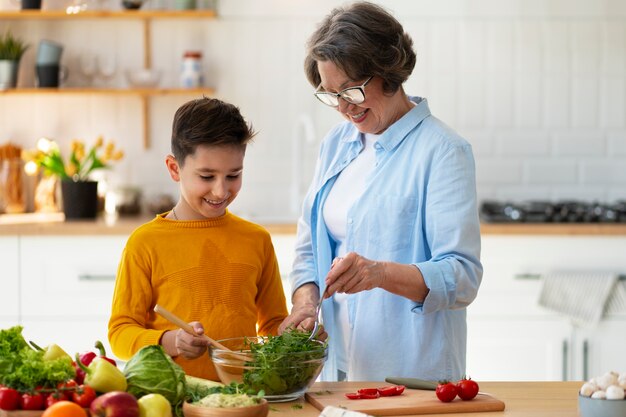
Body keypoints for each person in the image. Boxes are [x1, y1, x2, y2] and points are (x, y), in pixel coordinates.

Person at [278, 1, 483, 382]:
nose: (342, 107)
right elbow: (309, 248)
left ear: (388, 72)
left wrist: (379, 274)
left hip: (411, 374)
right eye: (330, 94)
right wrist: (305, 304)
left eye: (351, 91)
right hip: (336, 366)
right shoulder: (336, 143)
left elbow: (462, 276)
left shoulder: (443, 151)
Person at [108, 97, 288, 380]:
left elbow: (273, 325)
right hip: (171, 401)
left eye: (233, 175)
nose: (220, 191)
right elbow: (120, 332)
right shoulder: (144, 243)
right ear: (174, 168)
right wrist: (171, 342)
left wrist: (295, 333)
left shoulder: (257, 240)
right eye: (206, 176)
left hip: (241, 398)